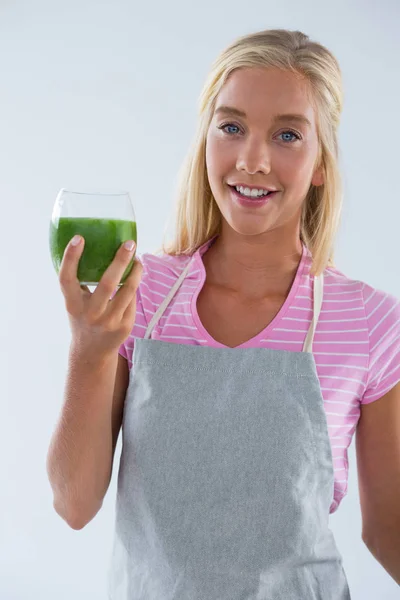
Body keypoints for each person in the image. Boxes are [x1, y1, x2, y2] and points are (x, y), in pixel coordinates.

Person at [46, 28, 400, 599]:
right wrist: (89, 350)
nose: (252, 159)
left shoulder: (367, 322)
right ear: (205, 140)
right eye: (231, 127)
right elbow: (73, 503)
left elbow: (390, 528)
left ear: (320, 164)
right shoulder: (142, 292)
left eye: (287, 135)